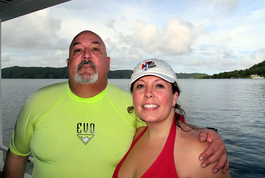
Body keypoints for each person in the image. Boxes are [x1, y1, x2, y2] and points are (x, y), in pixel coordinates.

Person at [3, 31, 228, 178]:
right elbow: (16, 155)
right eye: (78, 50)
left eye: (96, 49)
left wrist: (205, 134)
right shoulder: (37, 101)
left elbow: (165, 125)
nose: (86, 55)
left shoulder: (129, 106)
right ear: (68, 62)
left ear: (108, 63)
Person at [113, 58, 231, 178]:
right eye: (140, 86)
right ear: (133, 96)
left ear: (174, 97)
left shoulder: (199, 153)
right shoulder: (136, 135)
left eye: (159, 85)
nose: (148, 93)